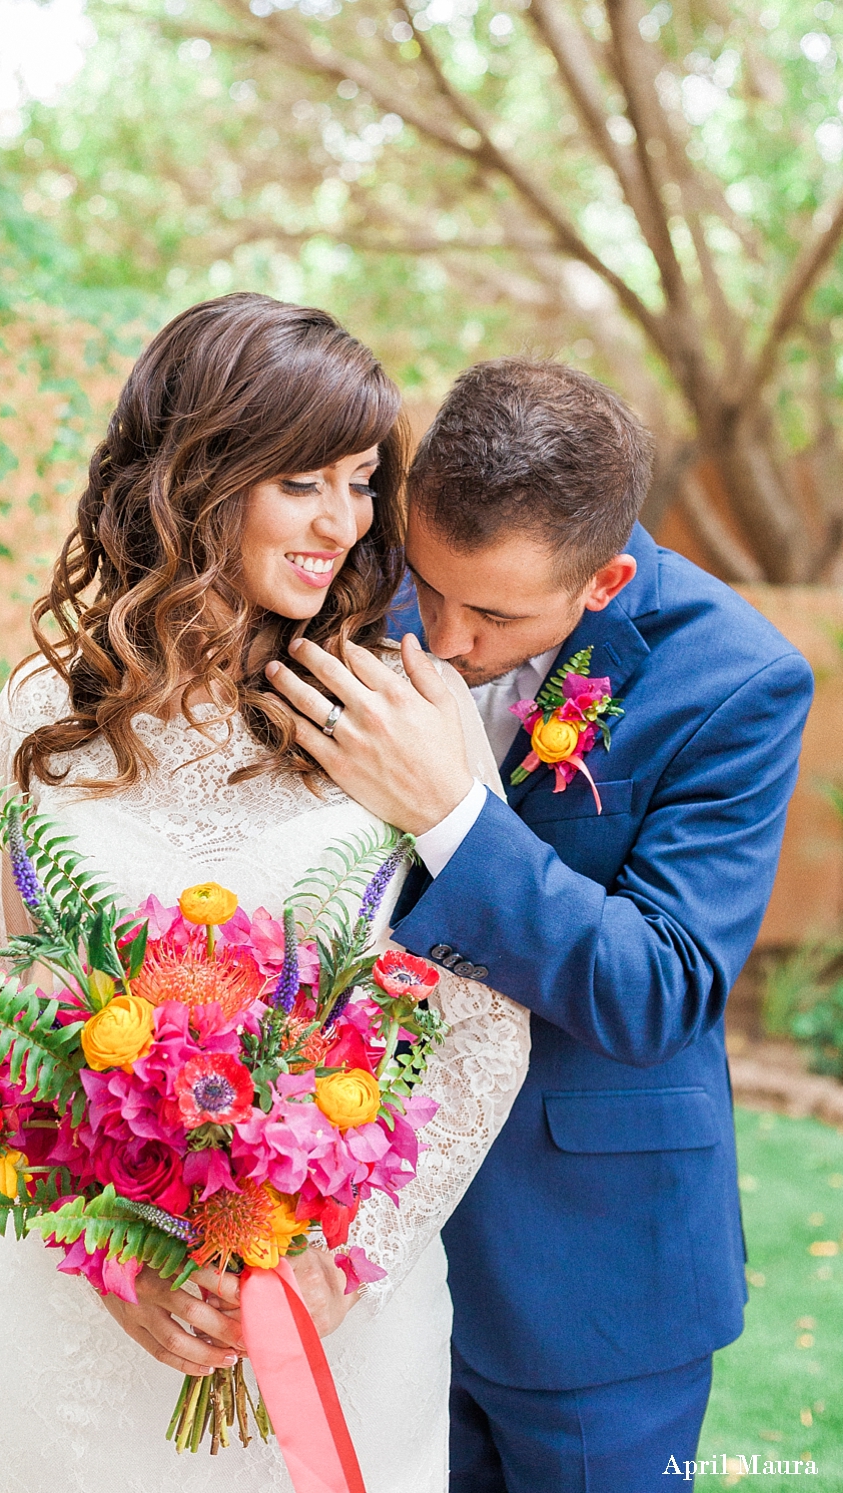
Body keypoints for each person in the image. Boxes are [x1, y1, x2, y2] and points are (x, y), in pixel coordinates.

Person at [0, 294, 530, 1493]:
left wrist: (341, 1263)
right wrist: (109, 1253)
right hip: (82, 1340)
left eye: (360, 482)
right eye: (302, 480)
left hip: (331, 1330)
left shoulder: (404, 709)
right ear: (201, 476)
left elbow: (481, 1026)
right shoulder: (48, 712)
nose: (343, 521)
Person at [266, 357, 814, 1493]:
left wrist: (454, 817)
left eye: (497, 612)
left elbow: (660, 984)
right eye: (430, 582)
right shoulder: (368, 598)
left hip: (592, 1274)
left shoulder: (738, 681)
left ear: (603, 580)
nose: (446, 636)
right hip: (362, 1237)